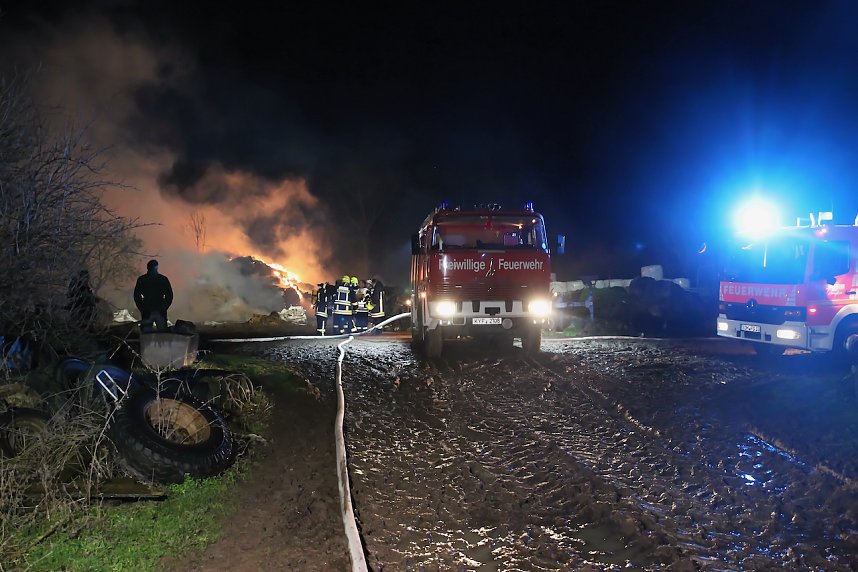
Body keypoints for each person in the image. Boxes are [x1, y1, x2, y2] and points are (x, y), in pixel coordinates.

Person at [134, 259, 173, 332]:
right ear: (156, 267)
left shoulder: (142, 279)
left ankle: (147, 343)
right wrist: (164, 307)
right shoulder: (162, 279)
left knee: (146, 334)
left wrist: (142, 308)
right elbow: (169, 295)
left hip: (148, 310)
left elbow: (137, 296)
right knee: (162, 335)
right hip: (159, 310)